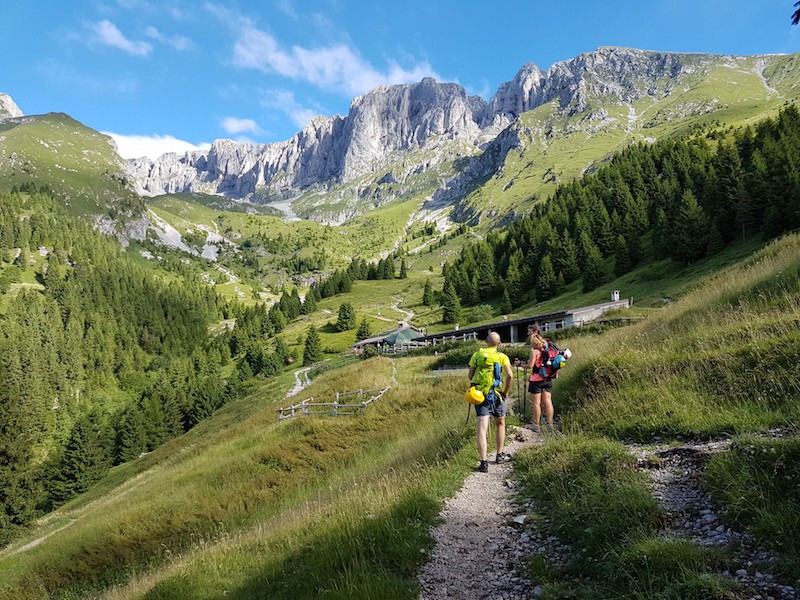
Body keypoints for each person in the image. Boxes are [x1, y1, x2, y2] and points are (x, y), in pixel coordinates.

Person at [468, 331, 514, 472]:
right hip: (496, 395)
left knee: (482, 428)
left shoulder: (477, 355)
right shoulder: (502, 357)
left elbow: (470, 376)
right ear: (499, 343)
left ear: (486, 342)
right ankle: (499, 455)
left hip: (480, 395)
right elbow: (510, 376)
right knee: (500, 423)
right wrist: (505, 392)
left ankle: (484, 463)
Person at [514, 326, 556, 432]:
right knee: (547, 401)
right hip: (547, 378)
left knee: (536, 403)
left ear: (534, 342)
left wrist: (520, 364)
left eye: (531, 342)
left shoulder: (535, 352)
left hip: (536, 380)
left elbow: (530, 365)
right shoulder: (546, 349)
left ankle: (536, 425)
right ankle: (549, 424)